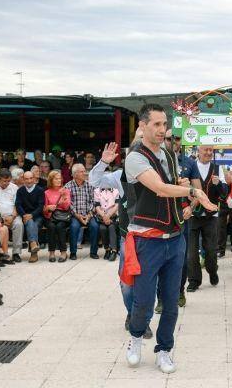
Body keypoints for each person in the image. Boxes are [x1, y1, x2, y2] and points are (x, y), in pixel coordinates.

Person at [121, 104, 216, 374]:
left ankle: (164, 349)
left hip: (175, 237)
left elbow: (173, 190)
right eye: (157, 125)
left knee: (172, 300)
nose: (163, 130)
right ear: (142, 126)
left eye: (165, 124)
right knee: (142, 301)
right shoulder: (135, 157)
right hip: (147, 240)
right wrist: (195, 193)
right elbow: (161, 189)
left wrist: (187, 206)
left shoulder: (169, 155)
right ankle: (137, 337)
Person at [89, 140, 155, 339]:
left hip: (152, 237)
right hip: (128, 237)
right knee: (127, 282)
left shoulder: (155, 174)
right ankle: (131, 313)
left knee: (149, 281)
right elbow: (94, 181)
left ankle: (143, 321)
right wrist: (103, 162)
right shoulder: (119, 176)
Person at [163, 128, 201, 308]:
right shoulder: (156, 160)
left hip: (182, 216)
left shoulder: (189, 162)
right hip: (160, 215)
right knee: (158, 257)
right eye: (170, 138)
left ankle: (179, 291)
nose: (174, 142)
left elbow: (198, 191)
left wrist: (191, 207)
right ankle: (161, 297)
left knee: (181, 256)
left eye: (177, 138)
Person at [186, 145, 228, 292]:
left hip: (211, 216)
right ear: (199, 151)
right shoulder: (190, 166)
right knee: (191, 252)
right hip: (192, 215)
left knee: (210, 250)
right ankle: (194, 280)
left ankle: (212, 270)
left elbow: (224, 193)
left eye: (211, 150)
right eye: (206, 150)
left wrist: (219, 184)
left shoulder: (217, 169)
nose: (209, 153)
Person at [0, 168, 24, 263]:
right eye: (4, 181)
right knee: (0, 227)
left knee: (19, 224)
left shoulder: (14, 187)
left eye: (8, 181)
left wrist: (12, 216)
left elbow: (17, 204)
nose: (6, 183)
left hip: (12, 216)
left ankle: (16, 253)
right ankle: (1, 253)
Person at [65, 163, 99, 260]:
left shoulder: (89, 185)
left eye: (85, 171)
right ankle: (73, 252)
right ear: (75, 174)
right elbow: (69, 203)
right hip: (75, 215)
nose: (85, 173)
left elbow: (94, 201)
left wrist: (89, 215)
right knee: (74, 227)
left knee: (95, 226)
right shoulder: (68, 186)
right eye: (82, 171)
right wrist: (77, 215)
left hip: (89, 214)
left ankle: (93, 252)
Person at [16, 171, 45, 262]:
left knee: (33, 223)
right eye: (26, 179)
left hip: (38, 216)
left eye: (30, 178)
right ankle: (33, 249)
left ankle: (33, 247)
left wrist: (32, 215)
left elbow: (41, 206)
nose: (29, 181)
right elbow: (18, 205)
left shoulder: (40, 190)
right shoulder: (20, 191)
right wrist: (24, 215)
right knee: (31, 223)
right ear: (23, 180)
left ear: (34, 179)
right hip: (25, 216)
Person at [43, 171, 71, 262]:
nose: (59, 180)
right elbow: (44, 210)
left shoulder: (65, 191)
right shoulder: (47, 192)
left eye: (60, 178)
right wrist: (48, 207)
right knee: (51, 226)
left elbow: (66, 206)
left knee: (59, 226)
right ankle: (51, 252)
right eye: (56, 179)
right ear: (51, 180)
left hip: (63, 216)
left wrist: (62, 199)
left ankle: (63, 252)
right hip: (51, 216)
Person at [94, 186, 119, 260]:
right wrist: (104, 216)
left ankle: (114, 251)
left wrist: (108, 215)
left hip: (113, 216)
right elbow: (97, 206)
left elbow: (117, 205)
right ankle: (107, 250)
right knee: (103, 228)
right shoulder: (97, 191)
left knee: (111, 227)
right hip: (102, 217)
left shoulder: (116, 190)